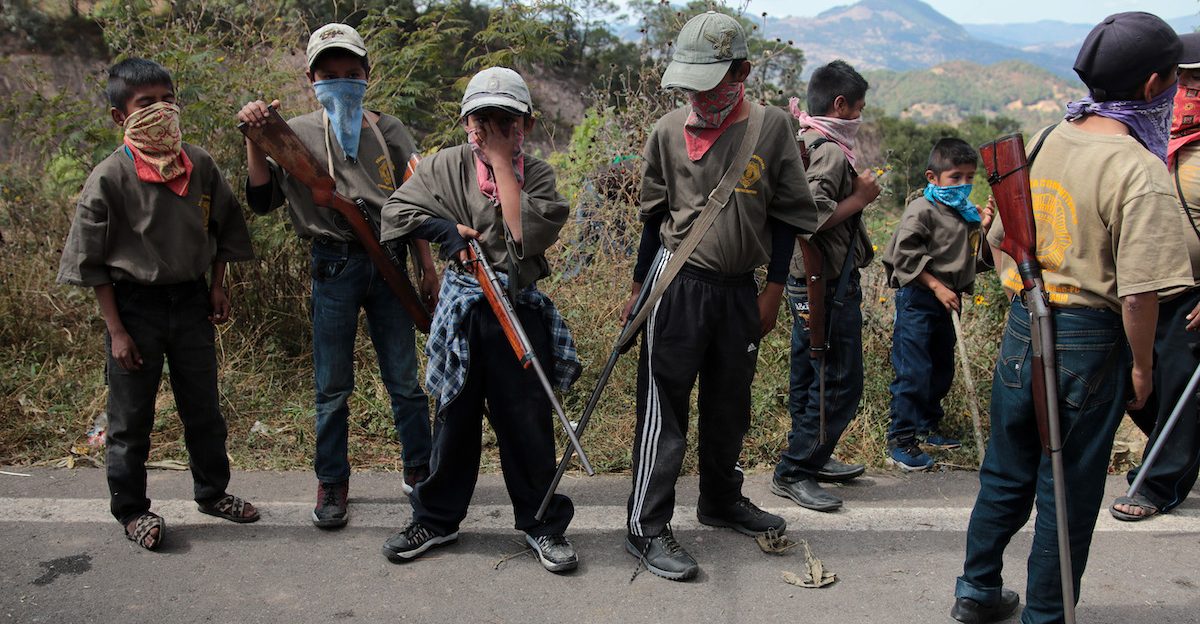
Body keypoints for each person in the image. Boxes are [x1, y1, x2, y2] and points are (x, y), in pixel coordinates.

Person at [952, 13, 1187, 624]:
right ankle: (1046, 615)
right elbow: (1138, 296)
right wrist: (1142, 369)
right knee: (1069, 489)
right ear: (1153, 85)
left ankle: (976, 591)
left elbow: (1002, 241)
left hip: (1023, 325)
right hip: (1091, 340)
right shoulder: (1139, 169)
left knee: (1005, 471)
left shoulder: (1047, 138)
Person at [623, 11, 817, 581]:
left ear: (741, 72)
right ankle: (646, 525)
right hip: (676, 287)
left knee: (730, 403)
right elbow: (653, 216)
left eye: (710, 82)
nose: (699, 96)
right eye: (691, 84)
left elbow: (787, 214)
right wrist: (638, 288)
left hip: (738, 293)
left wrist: (773, 289)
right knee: (664, 408)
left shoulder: (773, 128)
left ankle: (721, 499)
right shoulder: (666, 131)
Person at [377, 67, 582, 574]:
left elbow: (522, 233)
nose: (489, 130)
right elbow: (395, 214)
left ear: (525, 124)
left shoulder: (537, 175)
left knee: (527, 422)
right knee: (454, 419)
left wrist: (501, 162)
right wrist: (444, 230)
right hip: (465, 313)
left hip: (517, 310)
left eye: (503, 120)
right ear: (466, 122)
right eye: (480, 120)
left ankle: (541, 523)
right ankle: (435, 518)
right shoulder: (445, 165)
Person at [237, 23, 437, 529]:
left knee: (405, 380)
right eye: (329, 75)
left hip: (389, 260)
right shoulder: (294, 133)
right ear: (312, 79)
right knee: (331, 386)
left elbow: (414, 202)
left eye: (351, 72)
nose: (341, 82)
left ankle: (421, 470)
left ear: (367, 74)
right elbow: (261, 200)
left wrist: (427, 268)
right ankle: (332, 481)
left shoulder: (390, 130)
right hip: (332, 264)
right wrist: (255, 138)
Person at [57, 58, 260, 550]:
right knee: (130, 419)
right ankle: (132, 510)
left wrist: (217, 284)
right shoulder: (110, 177)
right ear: (119, 116)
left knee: (203, 408)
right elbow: (93, 263)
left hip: (191, 302)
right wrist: (117, 331)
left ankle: (213, 492)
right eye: (146, 103)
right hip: (134, 309)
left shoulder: (198, 164)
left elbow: (224, 227)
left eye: (168, 100)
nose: (161, 110)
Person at [771, 60, 881, 512]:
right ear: (840, 105)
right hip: (826, 284)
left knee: (810, 371)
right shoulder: (831, 151)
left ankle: (810, 455)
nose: (859, 117)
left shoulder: (806, 138)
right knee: (838, 381)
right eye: (858, 108)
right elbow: (810, 218)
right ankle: (796, 468)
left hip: (805, 280)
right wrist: (860, 198)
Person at [1110, 31, 1200, 522]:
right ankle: (1173, 454)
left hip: (1192, 294)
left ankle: (1158, 483)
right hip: (1142, 287)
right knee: (1134, 385)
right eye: (1182, 78)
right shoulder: (1147, 137)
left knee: (1182, 391)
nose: (1188, 90)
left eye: (1198, 80)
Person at [882, 139, 994, 471]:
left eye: (969, 177)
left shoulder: (967, 214)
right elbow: (904, 257)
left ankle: (926, 426)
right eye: (955, 177)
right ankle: (901, 439)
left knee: (941, 368)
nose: (963, 184)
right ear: (933, 177)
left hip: (949, 301)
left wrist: (985, 230)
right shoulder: (922, 210)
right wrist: (936, 286)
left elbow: (973, 260)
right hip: (919, 298)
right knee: (913, 370)